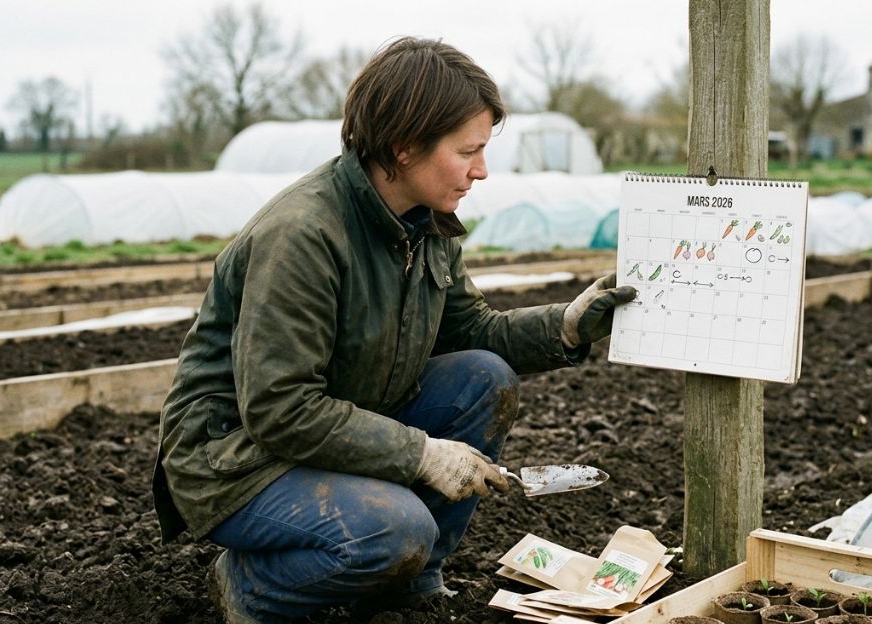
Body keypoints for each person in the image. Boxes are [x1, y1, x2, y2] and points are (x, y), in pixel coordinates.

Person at [152, 36, 636, 624]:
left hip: (338, 422)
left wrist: (565, 328)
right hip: (238, 457)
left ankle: (409, 584)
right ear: (404, 148)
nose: (481, 171)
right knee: (394, 529)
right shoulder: (303, 236)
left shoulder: (425, 224)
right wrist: (421, 454)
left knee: (483, 378)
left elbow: (471, 331)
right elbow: (279, 409)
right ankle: (249, 586)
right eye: (468, 151)